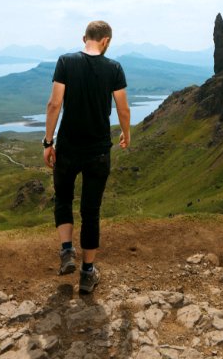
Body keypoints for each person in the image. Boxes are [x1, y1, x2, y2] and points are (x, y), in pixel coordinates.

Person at [43, 20, 131, 294]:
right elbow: (123, 108)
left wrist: (48, 142)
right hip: (98, 151)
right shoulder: (114, 68)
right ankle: (87, 274)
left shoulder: (65, 62)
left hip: (68, 148)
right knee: (91, 211)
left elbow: (54, 104)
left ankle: (67, 251)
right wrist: (126, 134)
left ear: (85, 38)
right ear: (105, 41)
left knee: (64, 198)